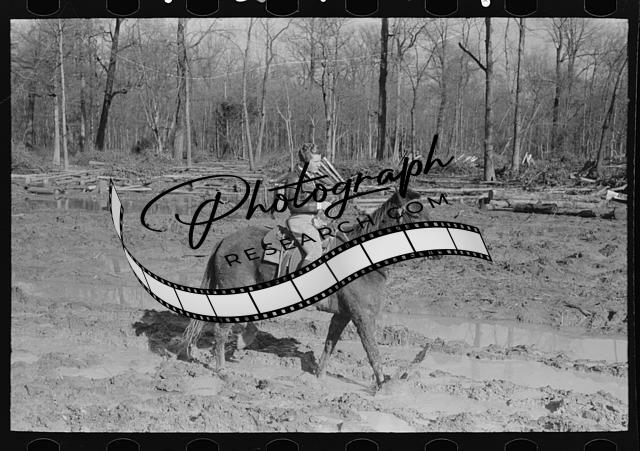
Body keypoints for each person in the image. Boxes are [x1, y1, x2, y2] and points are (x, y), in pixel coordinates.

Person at [275, 143, 332, 269]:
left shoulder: (312, 177)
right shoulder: (294, 178)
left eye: (320, 161)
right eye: (316, 161)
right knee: (315, 253)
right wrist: (319, 205)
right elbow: (293, 205)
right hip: (299, 221)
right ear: (306, 162)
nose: (319, 164)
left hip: (313, 220)